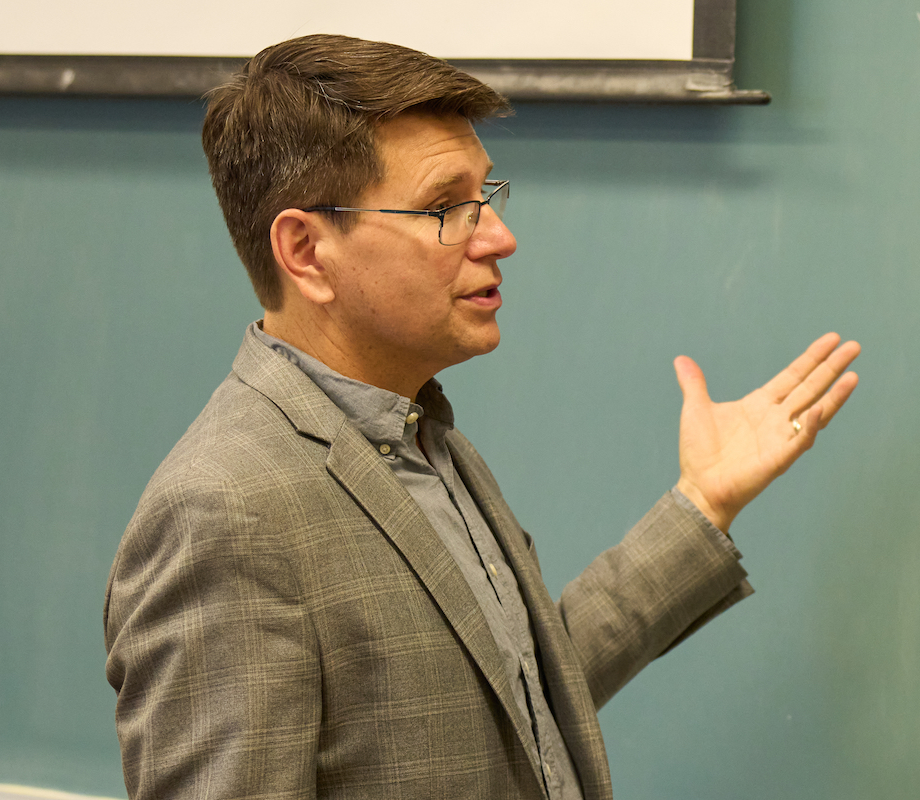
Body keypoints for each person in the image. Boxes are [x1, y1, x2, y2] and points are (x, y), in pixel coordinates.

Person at [101, 35, 859, 800]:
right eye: (444, 208)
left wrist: (705, 501)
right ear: (306, 250)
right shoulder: (223, 513)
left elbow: (514, 700)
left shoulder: (420, 438)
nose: (499, 237)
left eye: (485, 198)